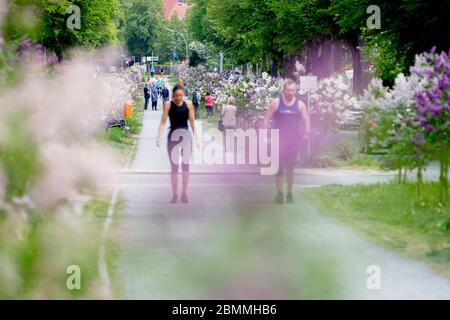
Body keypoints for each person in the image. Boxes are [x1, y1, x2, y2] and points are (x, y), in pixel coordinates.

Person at [262, 79, 310, 204]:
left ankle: (289, 193)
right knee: (278, 168)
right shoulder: (276, 103)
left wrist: (306, 133)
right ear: (284, 90)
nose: (290, 92)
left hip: (293, 141)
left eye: (292, 90)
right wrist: (266, 135)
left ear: (295, 91)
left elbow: (306, 119)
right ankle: (279, 193)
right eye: (288, 90)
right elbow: (266, 119)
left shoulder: (300, 105)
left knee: (290, 168)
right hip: (278, 140)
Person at [156, 84, 200, 203]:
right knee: (174, 168)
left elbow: (192, 122)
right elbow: (163, 122)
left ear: (183, 95)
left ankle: (184, 192)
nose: (179, 98)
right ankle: (175, 194)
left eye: (181, 95)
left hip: (186, 138)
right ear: (173, 95)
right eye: (176, 95)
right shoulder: (168, 105)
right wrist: (159, 136)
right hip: (173, 139)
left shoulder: (189, 104)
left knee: (186, 167)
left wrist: (197, 138)